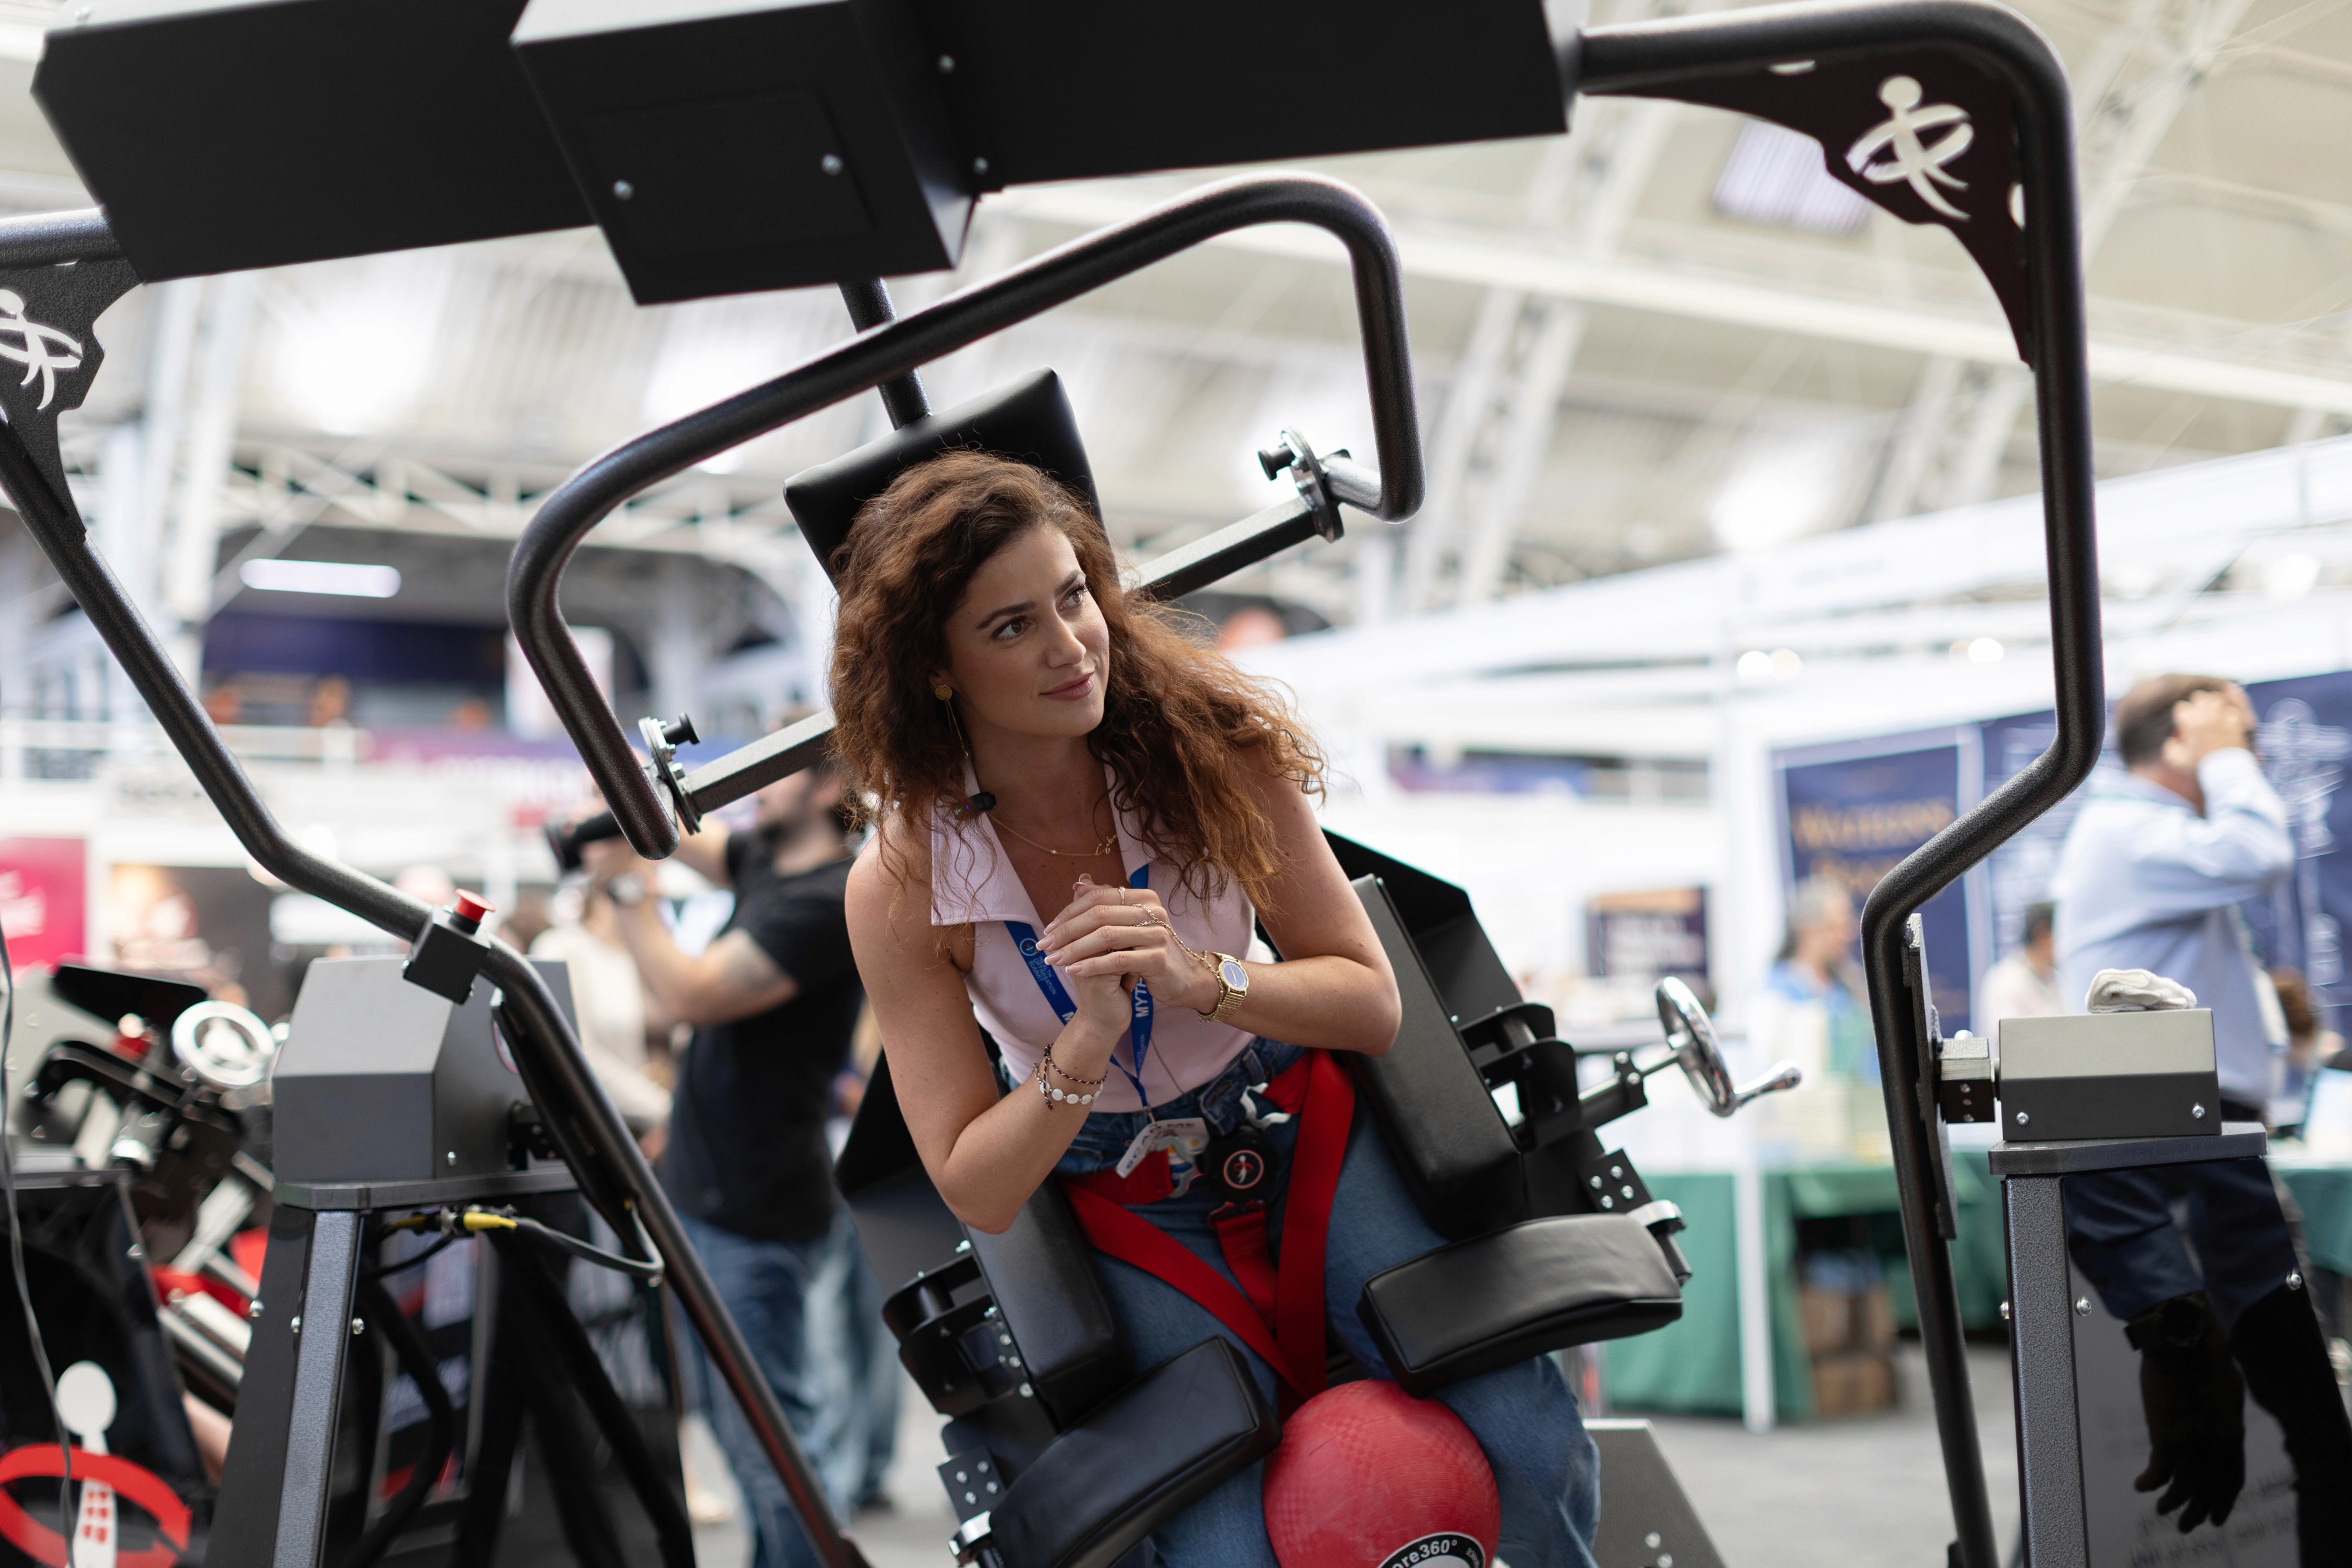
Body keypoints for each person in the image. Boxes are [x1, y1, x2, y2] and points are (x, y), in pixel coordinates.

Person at [834, 452, 1598, 1566]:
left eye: (1074, 596)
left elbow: (1371, 1001)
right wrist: (1086, 1039)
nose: (1071, 645)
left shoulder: (1212, 749)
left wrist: (1207, 978)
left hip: (1296, 1121)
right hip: (1116, 1186)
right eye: (1011, 627)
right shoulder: (902, 882)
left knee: (1528, 1446)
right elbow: (976, 1183)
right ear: (937, 670)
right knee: (1223, 1546)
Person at [579, 761, 865, 1568]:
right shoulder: (768, 861)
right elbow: (672, 834)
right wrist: (620, 803)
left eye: (774, 773)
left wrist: (626, 888)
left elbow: (691, 994)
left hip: (757, 1203)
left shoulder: (830, 899)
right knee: (733, 1427)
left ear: (824, 786)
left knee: (773, 1438)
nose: (754, 788)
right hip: (707, 1196)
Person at [2050, 674, 2293, 1122]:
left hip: (2182, 1108)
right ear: (2182, 737)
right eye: (2242, 738)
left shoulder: (2138, 827)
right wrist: (2223, 759)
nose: (2253, 759)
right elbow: (2259, 854)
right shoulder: (2129, 831)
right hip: (2173, 1112)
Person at [1980, 901, 2065, 1025]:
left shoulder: (2054, 977)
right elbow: (2008, 1034)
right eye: (2064, 935)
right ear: (2043, 935)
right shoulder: (2007, 980)